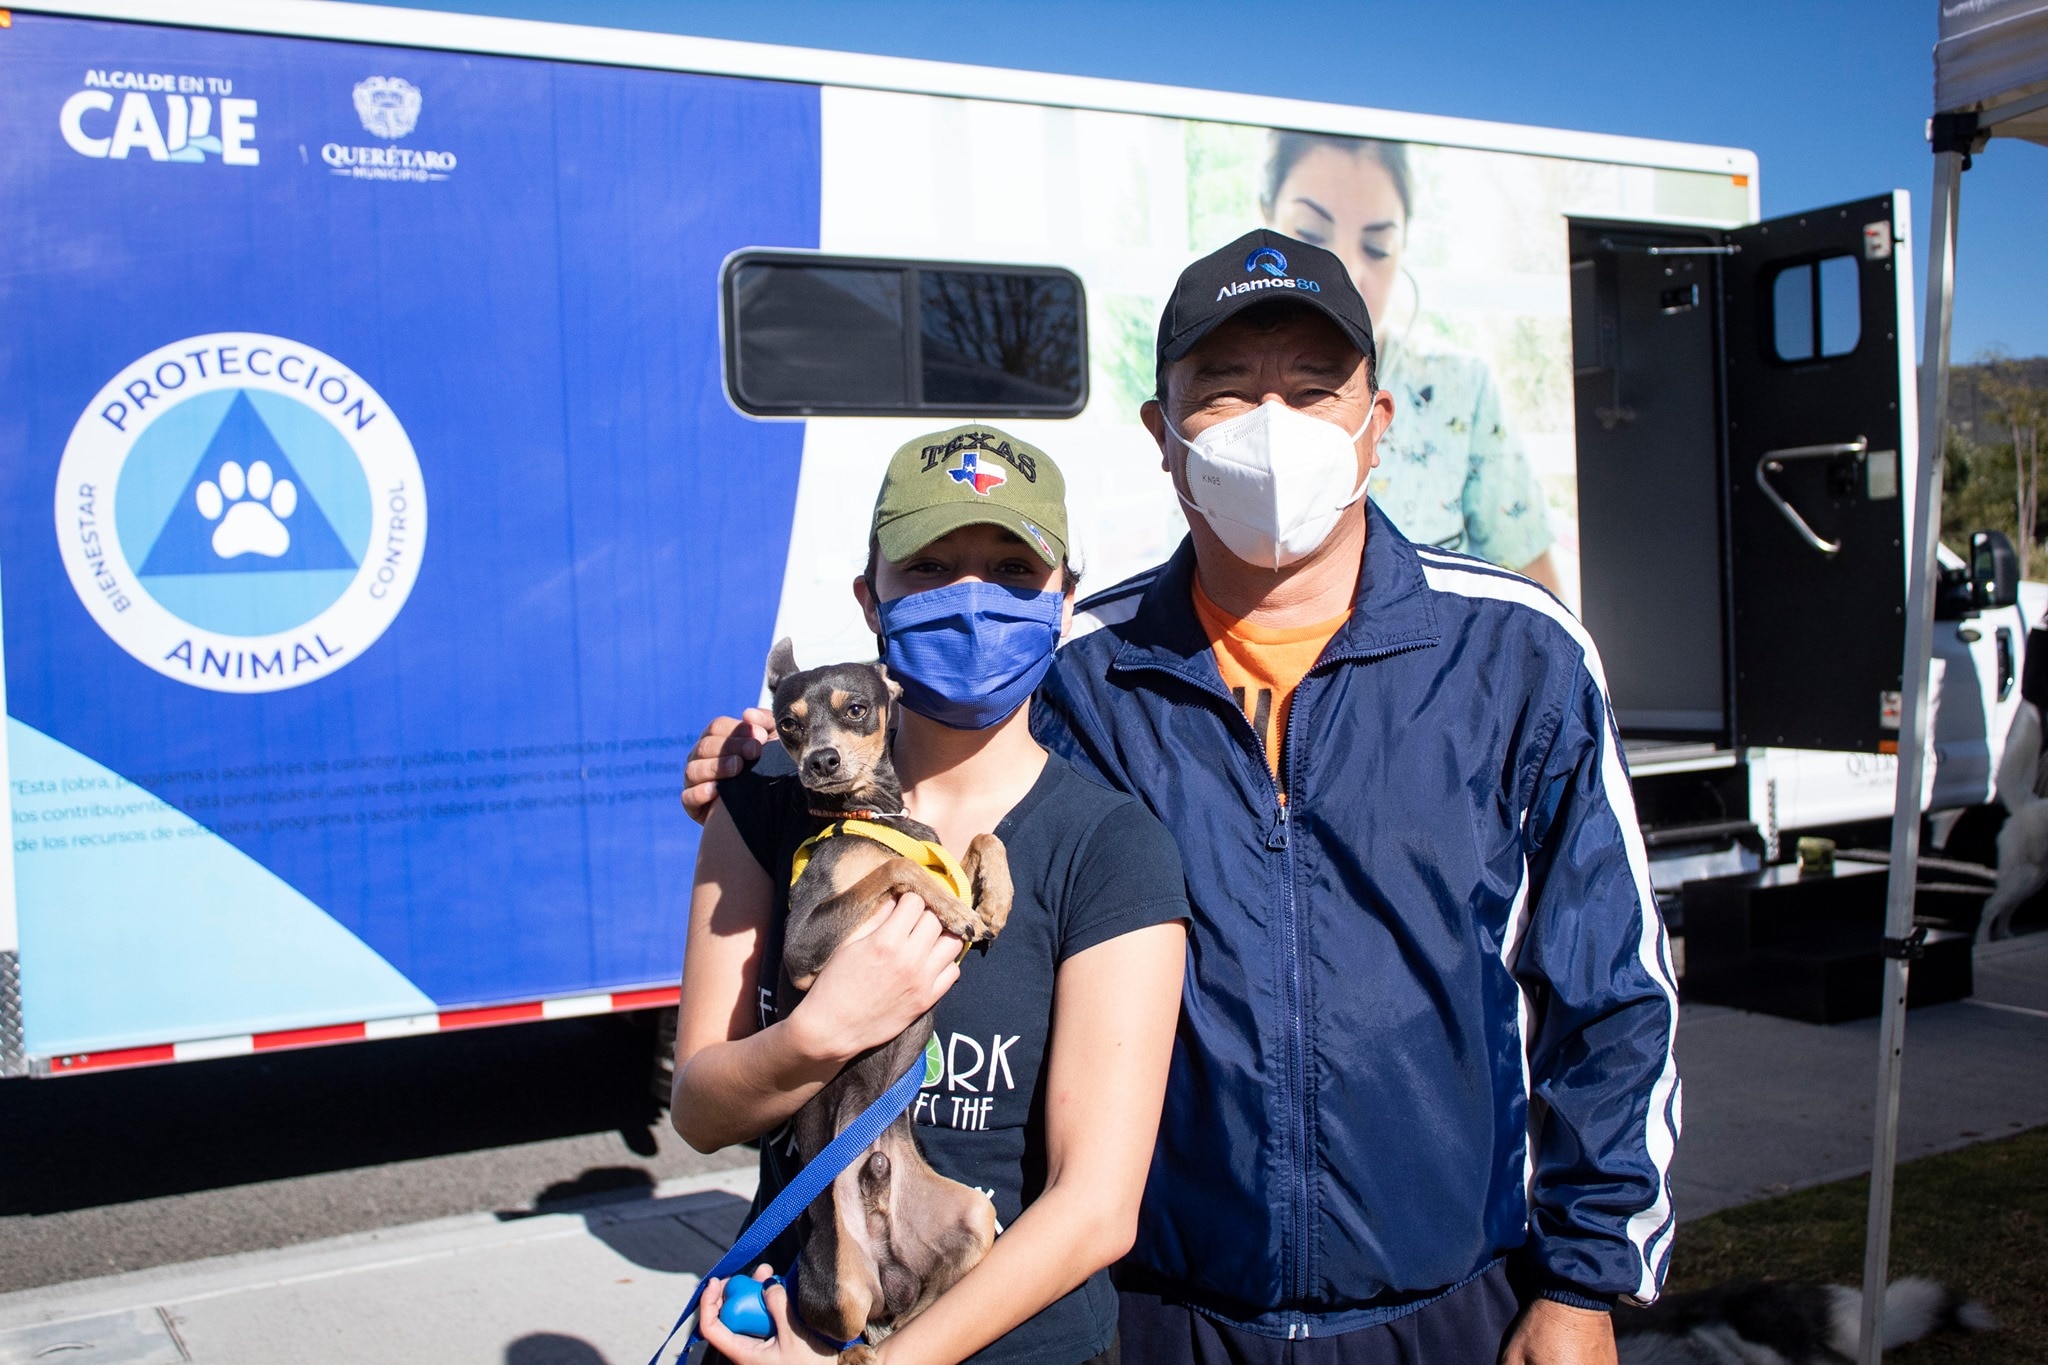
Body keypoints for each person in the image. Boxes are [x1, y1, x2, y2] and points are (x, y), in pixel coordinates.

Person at [672, 425, 1189, 1365]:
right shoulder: (758, 808)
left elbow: (1097, 1207)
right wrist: (815, 1032)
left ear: (1065, 598)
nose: (971, 601)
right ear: (872, 599)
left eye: (1010, 570)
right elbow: (701, 1109)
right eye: (932, 566)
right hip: (801, 1320)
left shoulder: (1114, 848)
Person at [1261, 131, 1565, 593]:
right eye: (1309, 236)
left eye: (1377, 248)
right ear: (1262, 226)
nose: (1345, 270)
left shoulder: (1462, 389)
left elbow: (1544, 614)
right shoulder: (1222, 401)